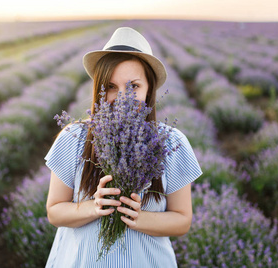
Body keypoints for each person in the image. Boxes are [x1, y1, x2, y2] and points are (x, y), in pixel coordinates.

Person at [45, 27, 203, 267]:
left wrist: (138, 218)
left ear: (150, 89)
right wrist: (94, 206)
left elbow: (182, 220)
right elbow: (54, 211)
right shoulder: (74, 138)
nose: (122, 98)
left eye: (134, 87)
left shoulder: (171, 143)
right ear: (98, 89)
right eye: (110, 86)